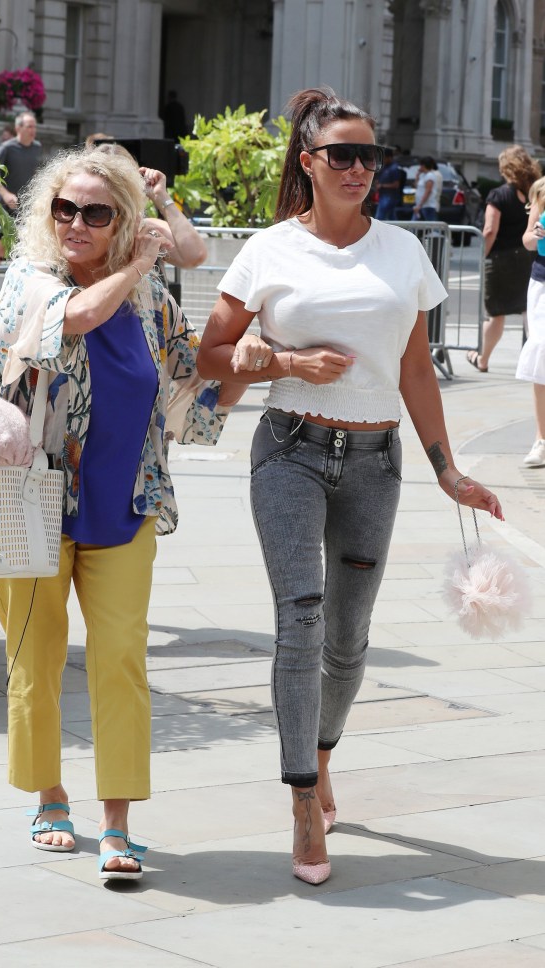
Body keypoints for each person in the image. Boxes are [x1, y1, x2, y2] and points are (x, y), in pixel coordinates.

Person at [196, 87, 503, 886]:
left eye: (371, 155)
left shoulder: (403, 252)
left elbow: (413, 370)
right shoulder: (268, 249)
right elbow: (209, 356)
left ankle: (323, 754)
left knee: (347, 639)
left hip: (376, 462)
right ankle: (302, 798)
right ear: (308, 161)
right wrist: (290, 362)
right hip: (290, 449)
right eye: (343, 154)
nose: (360, 168)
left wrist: (449, 469)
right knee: (298, 620)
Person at [0, 147, 248, 881]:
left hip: (126, 506)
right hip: (29, 504)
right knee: (33, 662)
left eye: (95, 212)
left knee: (122, 665)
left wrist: (260, 363)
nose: (74, 222)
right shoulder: (28, 283)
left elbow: (188, 395)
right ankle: (48, 798)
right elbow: (73, 320)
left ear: (121, 219)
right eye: (62, 209)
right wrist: (136, 266)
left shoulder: (152, 304)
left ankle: (118, 821)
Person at [467, 144, 541, 373]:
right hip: (528, 259)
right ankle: (535, 361)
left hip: (500, 260)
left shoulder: (499, 195)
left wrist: (483, 255)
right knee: (529, 313)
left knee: (496, 314)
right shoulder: (534, 193)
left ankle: (483, 359)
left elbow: (489, 230)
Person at [88, 141, 207, 270]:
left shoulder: (147, 229)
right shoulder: (79, 227)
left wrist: (161, 196)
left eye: (122, 184)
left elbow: (195, 256)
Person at [0, 111, 43, 284]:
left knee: (27, 250)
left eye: (34, 126)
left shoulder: (37, 147)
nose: (33, 130)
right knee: (0, 251)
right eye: (29, 126)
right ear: (18, 128)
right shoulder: (7, 148)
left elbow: (35, 171)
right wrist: (5, 193)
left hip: (27, 208)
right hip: (5, 207)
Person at [516, 176, 545, 466]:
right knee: (542, 354)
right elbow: (526, 241)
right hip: (543, 284)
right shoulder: (542, 191)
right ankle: (541, 439)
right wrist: (537, 233)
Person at [375, 147, 403, 220]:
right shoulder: (385, 167)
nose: (383, 160)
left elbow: (396, 184)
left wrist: (382, 186)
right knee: (391, 217)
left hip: (389, 196)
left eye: (384, 158)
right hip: (383, 195)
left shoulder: (394, 168)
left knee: (380, 216)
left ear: (389, 157)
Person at [412, 156, 442, 221]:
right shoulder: (422, 175)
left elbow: (428, 191)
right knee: (414, 224)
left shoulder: (430, 176)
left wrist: (420, 204)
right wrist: (417, 176)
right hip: (420, 205)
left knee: (432, 226)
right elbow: (416, 186)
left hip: (427, 205)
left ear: (423, 166)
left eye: (420, 165)